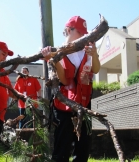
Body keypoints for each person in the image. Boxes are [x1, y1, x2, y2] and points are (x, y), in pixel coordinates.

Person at [41, 16, 100, 162]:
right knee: (62, 147)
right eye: (79, 32)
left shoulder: (88, 49)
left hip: (84, 103)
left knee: (83, 147)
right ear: (68, 30)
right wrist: (52, 59)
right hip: (63, 104)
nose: (82, 36)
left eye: (83, 33)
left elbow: (96, 69)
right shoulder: (58, 52)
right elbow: (64, 80)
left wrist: (95, 55)